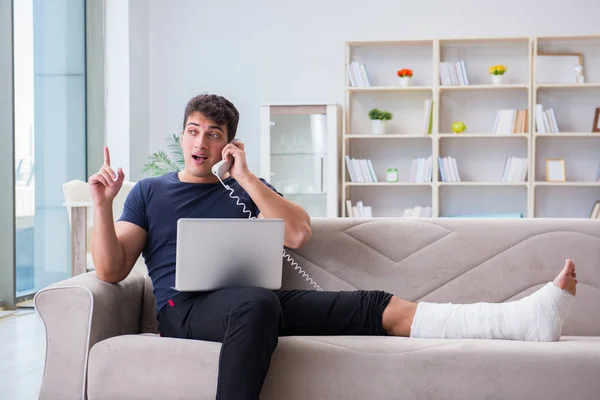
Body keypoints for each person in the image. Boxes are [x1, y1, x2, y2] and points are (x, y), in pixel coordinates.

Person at [90, 94, 578, 400]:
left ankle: (523, 321)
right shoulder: (150, 192)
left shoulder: (244, 188)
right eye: (194, 131)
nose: (201, 142)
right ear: (182, 134)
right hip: (185, 308)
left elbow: (298, 233)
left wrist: (244, 176)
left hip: (253, 304)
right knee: (257, 303)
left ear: (229, 144)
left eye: (214, 135)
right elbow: (111, 271)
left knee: (376, 306)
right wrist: (102, 205)